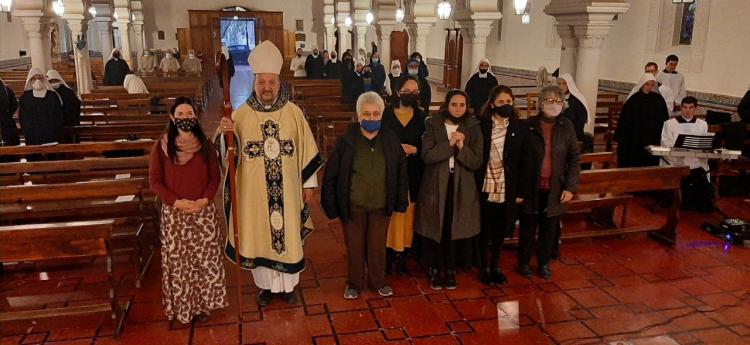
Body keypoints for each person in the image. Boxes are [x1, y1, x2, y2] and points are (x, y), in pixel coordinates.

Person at [217, 41, 324, 306]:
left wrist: (308, 185)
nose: (267, 88)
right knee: (259, 235)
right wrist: (225, 135)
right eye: (262, 82)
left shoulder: (294, 114)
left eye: (272, 83)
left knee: (287, 234)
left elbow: (306, 151)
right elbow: (227, 157)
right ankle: (265, 288)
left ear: (279, 83)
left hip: (288, 191)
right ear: (254, 82)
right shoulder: (239, 116)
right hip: (254, 195)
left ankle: (288, 288)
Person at [148, 96, 227, 325]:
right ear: (172, 118)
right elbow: (154, 181)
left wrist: (205, 199)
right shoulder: (162, 146)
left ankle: (204, 306)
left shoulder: (206, 146)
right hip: (176, 214)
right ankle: (184, 307)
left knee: (204, 262)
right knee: (181, 264)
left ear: (195, 116)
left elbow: (215, 176)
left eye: (189, 114)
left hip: (203, 213)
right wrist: (175, 202)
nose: (185, 118)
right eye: (180, 114)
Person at [321, 92, 408, 299]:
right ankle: (354, 283)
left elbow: (400, 171)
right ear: (359, 115)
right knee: (355, 248)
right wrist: (331, 205)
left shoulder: (390, 139)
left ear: (381, 114)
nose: (371, 118)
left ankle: (378, 281)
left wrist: (400, 201)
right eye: (366, 114)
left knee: (377, 247)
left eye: (375, 114)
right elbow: (331, 174)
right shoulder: (346, 141)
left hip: (380, 205)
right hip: (353, 206)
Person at [415, 90, 483, 290]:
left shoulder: (473, 126)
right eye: (454, 104)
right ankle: (434, 268)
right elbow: (427, 156)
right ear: (447, 105)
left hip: (461, 184)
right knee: (438, 224)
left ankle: (451, 268)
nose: (458, 109)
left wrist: (462, 147)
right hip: (436, 183)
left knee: (455, 224)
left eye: (462, 105)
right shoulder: (433, 124)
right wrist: (449, 144)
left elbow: (476, 161)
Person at [517, 86, 580, 279]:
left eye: (558, 101)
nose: (554, 105)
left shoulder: (566, 126)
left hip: (555, 187)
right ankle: (524, 262)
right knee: (527, 227)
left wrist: (570, 187)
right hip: (531, 187)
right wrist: (519, 190)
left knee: (549, 228)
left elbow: (574, 160)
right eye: (550, 101)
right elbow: (519, 159)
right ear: (541, 103)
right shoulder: (528, 125)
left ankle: (544, 263)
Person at [475, 85, 530, 285]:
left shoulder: (519, 127)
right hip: (486, 183)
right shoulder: (481, 126)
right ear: (492, 104)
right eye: (501, 102)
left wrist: (521, 191)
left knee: (500, 228)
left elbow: (525, 161)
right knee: (485, 228)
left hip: (507, 185)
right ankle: (484, 267)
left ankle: (496, 265)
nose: (505, 105)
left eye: (508, 102)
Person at [381, 76, 427, 274]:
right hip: (391, 172)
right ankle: (388, 254)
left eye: (415, 91)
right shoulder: (386, 115)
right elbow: (378, 141)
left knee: (409, 215)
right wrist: (396, 149)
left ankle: (404, 256)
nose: (412, 94)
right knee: (392, 214)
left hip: (414, 171)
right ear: (398, 92)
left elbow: (429, 144)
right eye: (407, 91)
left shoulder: (423, 118)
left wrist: (416, 150)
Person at [616, 73, 670, 167]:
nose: (649, 87)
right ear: (642, 84)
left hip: (652, 137)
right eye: (647, 84)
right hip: (635, 138)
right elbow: (625, 120)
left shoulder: (658, 99)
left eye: (652, 85)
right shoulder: (633, 99)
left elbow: (664, 118)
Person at [660, 96, 709, 171]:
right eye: (685, 107)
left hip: (696, 163)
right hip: (676, 162)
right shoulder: (669, 123)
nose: (687, 110)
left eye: (691, 107)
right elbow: (666, 143)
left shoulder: (702, 124)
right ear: (681, 108)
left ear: (695, 108)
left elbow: (704, 145)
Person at [18, 68, 63, 146]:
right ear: (30, 80)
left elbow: (59, 115)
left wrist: (56, 130)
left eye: (39, 78)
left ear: (43, 79)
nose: (37, 80)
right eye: (34, 78)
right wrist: (26, 131)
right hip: (32, 134)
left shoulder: (52, 95)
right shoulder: (25, 97)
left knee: (51, 156)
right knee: (34, 156)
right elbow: (22, 117)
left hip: (51, 133)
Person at [556, 74, 590, 140]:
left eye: (564, 84)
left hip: (573, 133)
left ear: (569, 84)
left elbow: (582, 117)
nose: (561, 86)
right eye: (559, 84)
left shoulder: (577, 99)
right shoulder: (554, 97)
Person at [0, 77, 19, 148]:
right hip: (6, 120)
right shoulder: (7, 89)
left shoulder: (7, 90)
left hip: (6, 121)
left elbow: (14, 105)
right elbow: (14, 106)